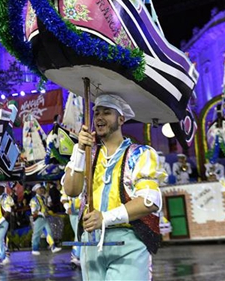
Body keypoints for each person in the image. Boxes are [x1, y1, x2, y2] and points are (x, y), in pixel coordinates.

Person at [63, 93, 165, 281]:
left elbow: (150, 201)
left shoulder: (140, 154)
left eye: (107, 112)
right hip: (91, 245)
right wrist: (79, 150)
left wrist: (105, 218)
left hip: (127, 244)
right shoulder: (87, 154)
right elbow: (71, 190)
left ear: (121, 119)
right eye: (97, 113)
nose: (99, 117)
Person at [29, 183, 62, 256]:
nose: (41, 190)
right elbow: (34, 211)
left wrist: (48, 197)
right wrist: (43, 213)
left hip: (44, 218)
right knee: (37, 234)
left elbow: (49, 205)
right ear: (36, 190)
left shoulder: (43, 198)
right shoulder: (34, 200)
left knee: (49, 232)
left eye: (41, 188)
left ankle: (53, 247)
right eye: (40, 189)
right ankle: (34, 249)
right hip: (39, 218)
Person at [0, 182, 14, 267]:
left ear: (3, 188)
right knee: (3, 239)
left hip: (3, 222)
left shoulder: (6, 197)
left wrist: (0, 222)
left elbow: (8, 211)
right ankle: (6, 257)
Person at [60, 180, 83, 267]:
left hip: (85, 211)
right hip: (74, 212)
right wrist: (67, 207)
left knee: (82, 234)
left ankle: (79, 256)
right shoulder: (68, 180)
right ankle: (76, 256)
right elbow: (63, 198)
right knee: (78, 234)